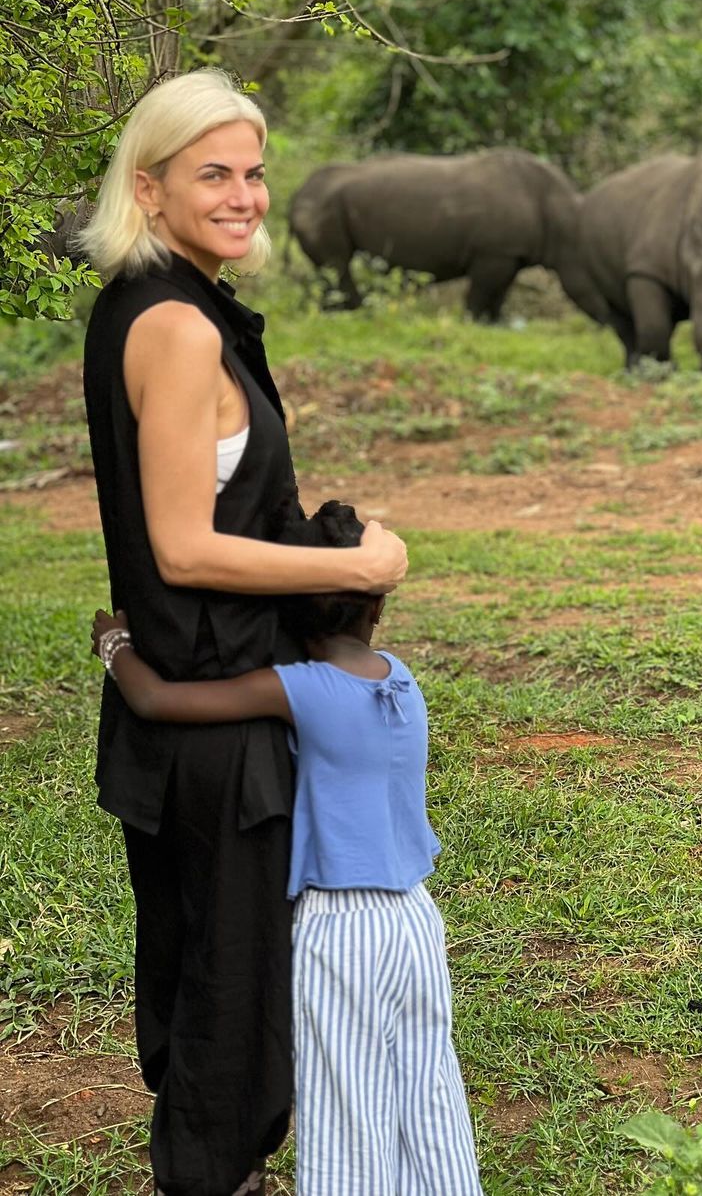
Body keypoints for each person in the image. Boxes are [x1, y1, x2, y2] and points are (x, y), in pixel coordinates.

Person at [79, 69, 409, 1196]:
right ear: (150, 185)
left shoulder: (154, 301)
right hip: (217, 728)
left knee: (199, 985)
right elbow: (180, 546)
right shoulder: (175, 326)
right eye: (213, 173)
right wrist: (352, 565)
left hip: (183, 706)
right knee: (231, 1006)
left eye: (255, 171)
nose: (244, 195)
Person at [92, 500, 483, 1196]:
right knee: (428, 1099)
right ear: (377, 611)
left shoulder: (300, 689)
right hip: (416, 923)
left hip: (343, 931)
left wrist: (114, 644)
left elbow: (158, 702)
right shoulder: (399, 679)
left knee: (346, 1117)